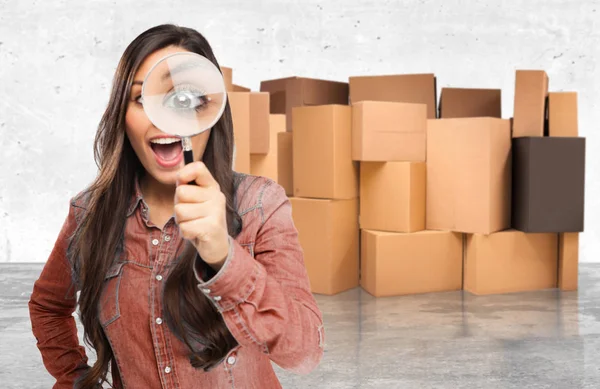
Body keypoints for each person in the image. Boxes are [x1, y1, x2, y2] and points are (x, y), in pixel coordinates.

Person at [28, 24, 325, 389]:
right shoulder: (89, 213)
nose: (162, 116)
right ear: (121, 114)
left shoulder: (260, 204)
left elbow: (305, 352)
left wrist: (222, 255)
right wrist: (75, 381)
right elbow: (47, 306)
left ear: (211, 111)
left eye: (185, 99)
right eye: (142, 98)